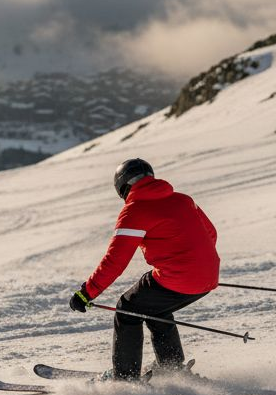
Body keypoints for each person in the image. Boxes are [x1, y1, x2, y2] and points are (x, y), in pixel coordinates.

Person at [69, 158, 220, 381]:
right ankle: (170, 369)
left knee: (127, 309)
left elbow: (115, 261)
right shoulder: (183, 200)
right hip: (209, 276)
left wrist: (86, 293)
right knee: (153, 306)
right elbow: (211, 234)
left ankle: (125, 378)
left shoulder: (135, 210)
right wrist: (195, 267)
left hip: (180, 279)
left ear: (122, 187)